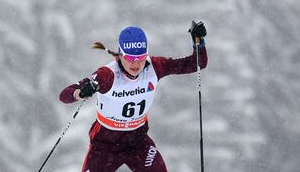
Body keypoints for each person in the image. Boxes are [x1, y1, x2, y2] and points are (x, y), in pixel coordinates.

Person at [59, 21, 208, 172]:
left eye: (141, 57)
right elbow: (64, 95)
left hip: (138, 143)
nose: (136, 64)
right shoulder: (107, 75)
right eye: (130, 58)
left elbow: (197, 63)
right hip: (105, 146)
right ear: (120, 54)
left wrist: (199, 42)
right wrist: (80, 92)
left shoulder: (155, 67)